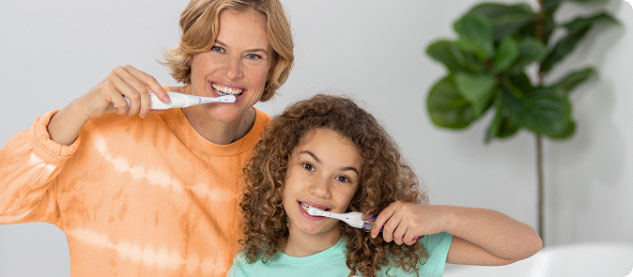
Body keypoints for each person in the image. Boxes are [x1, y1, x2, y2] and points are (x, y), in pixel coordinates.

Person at [0, 0, 293, 276]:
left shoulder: (290, 157)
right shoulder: (109, 133)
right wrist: (81, 110)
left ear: (273, 65)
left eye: (253, 56)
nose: (232, 72)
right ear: (190, 47)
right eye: (217, 48)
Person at [229, 94, 543, 276]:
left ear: (360, 191)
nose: (321, 190)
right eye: (309, 166)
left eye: (343, 178)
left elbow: (526, 244)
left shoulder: (392, 252)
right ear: (281, 168)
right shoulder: (251, 267)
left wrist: (443, 217)